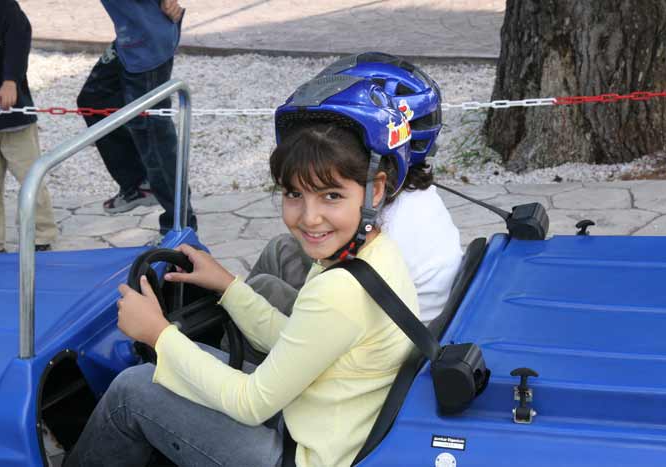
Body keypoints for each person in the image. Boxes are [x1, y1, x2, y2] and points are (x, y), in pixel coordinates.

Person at [64, 76, 419, 467]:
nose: (309, 217)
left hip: (304, 456)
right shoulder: (374, 252)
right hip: (323, 425)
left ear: (375, 190)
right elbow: (295, 339)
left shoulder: (340, 290)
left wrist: (158, 334)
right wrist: (227, 286)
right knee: (181, 361)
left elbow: (251, 403)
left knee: (132, 389)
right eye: (294, 194)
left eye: (331, 195)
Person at [248, 52, 463, 326]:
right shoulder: (411, 196)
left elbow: (338, 308)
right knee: (281, 249)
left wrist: (230, 289)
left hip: (375, 331)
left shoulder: (384, 229)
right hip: (389, 312)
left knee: (261, 289)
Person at [76, 0, 197, 233]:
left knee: (153, 136)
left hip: (147, 46)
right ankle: (139, 183)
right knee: (95, 99)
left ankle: (180, 228)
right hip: (130, 41)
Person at [0, 0, 57, 254]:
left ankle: (40, 234)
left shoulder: (9, 11)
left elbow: (18, 47)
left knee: (30, 178)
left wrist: (10, 81)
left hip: (14, 120)